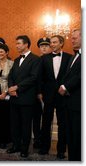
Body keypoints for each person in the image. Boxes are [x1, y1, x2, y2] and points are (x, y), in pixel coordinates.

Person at [38, 35, 72, 159]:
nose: (51, 44)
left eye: (54, 42)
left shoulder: (69, 57)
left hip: (63, 95)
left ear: (61, 43)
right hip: (48, 95)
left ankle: (61, 150)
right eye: (51, 42)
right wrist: (40, 92)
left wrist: (66, 88)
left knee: (63, 123)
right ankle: (44, 147)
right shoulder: (44, 58)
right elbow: (40, 77)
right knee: (46, 122)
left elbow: (71, 76)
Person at [7, 35, 40, 158]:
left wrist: (17, 87)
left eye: (19, 43)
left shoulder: (35, 59)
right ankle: (15, 145)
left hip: (27, 98)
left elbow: (33, 78)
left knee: (26, 125)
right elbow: (10, 76)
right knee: (14, 123)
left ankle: (24, 148)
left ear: (26, 44)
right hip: (14, 97)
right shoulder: (16, 60)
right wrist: (11, 88)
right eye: (16, 43)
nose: (16, 45)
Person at [58, 29, 81, 161]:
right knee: (71, 136)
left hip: (78, 103)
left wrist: (66, 86)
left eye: (74, 38)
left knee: (78, 137)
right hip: (69, 102)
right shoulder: (74, 56)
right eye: (71, 38)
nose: (71, 40)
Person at [32, 37, 52, 149]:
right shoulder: (36, 59)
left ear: (50, 47)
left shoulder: (52, 59)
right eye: (41, 46)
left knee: (46, 119)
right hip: (36, 94)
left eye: (46, 45)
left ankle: (45, 141)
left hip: (49, 94)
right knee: (36, 118)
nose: (44, 47)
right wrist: (38, 92)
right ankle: (37, 139)